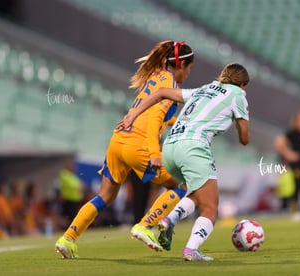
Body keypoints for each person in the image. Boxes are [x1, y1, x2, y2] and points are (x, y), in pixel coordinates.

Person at [54, 40, 194, 258]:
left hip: (118, 140)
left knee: (105, 196)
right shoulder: (172, 89)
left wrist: (173, 120)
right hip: (138, 144)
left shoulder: (155, 76)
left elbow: (150, 114)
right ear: (182, 66)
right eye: (189, 69)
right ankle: (145, 225)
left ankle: (68, 239)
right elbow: (152, 121)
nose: (188, 74)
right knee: (183, 185)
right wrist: (155, 154)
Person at [119, 63, 250, 261]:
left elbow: (162, 92)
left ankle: (170, 220)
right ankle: (191, 249)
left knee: (195, 193)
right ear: (242, 85)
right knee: (210, 207)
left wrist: (133, 114)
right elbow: (244, 139)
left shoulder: (204, 89)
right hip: (193, 147)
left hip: (170, 147)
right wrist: (238, 121)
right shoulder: (238, 95)